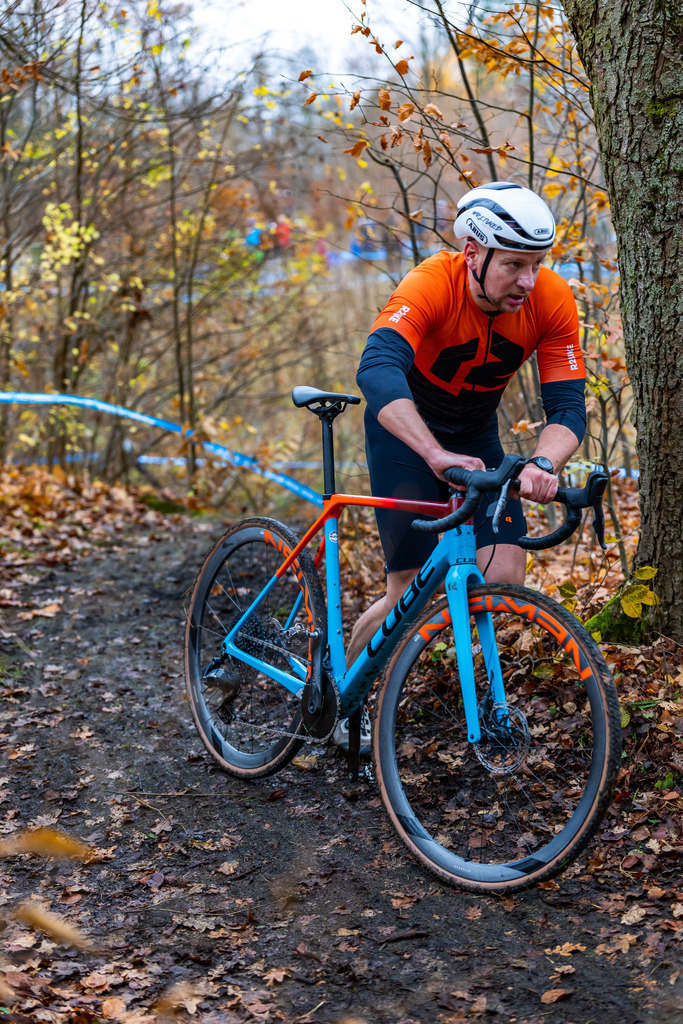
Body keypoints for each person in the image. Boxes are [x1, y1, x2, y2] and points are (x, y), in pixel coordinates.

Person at [333, 181, 586, 754]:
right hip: (406, 433)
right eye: (515, 265)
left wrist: (544, 462)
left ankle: (466, 701)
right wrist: (432, 452)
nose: (529, 280)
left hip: (475, 435)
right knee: (407, 595)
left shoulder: (549, 299)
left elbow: (568, 407)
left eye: (537, 265)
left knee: (500, 582)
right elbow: (377, 370)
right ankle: (345, 691)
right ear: (473, 254)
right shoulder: (430, 284)